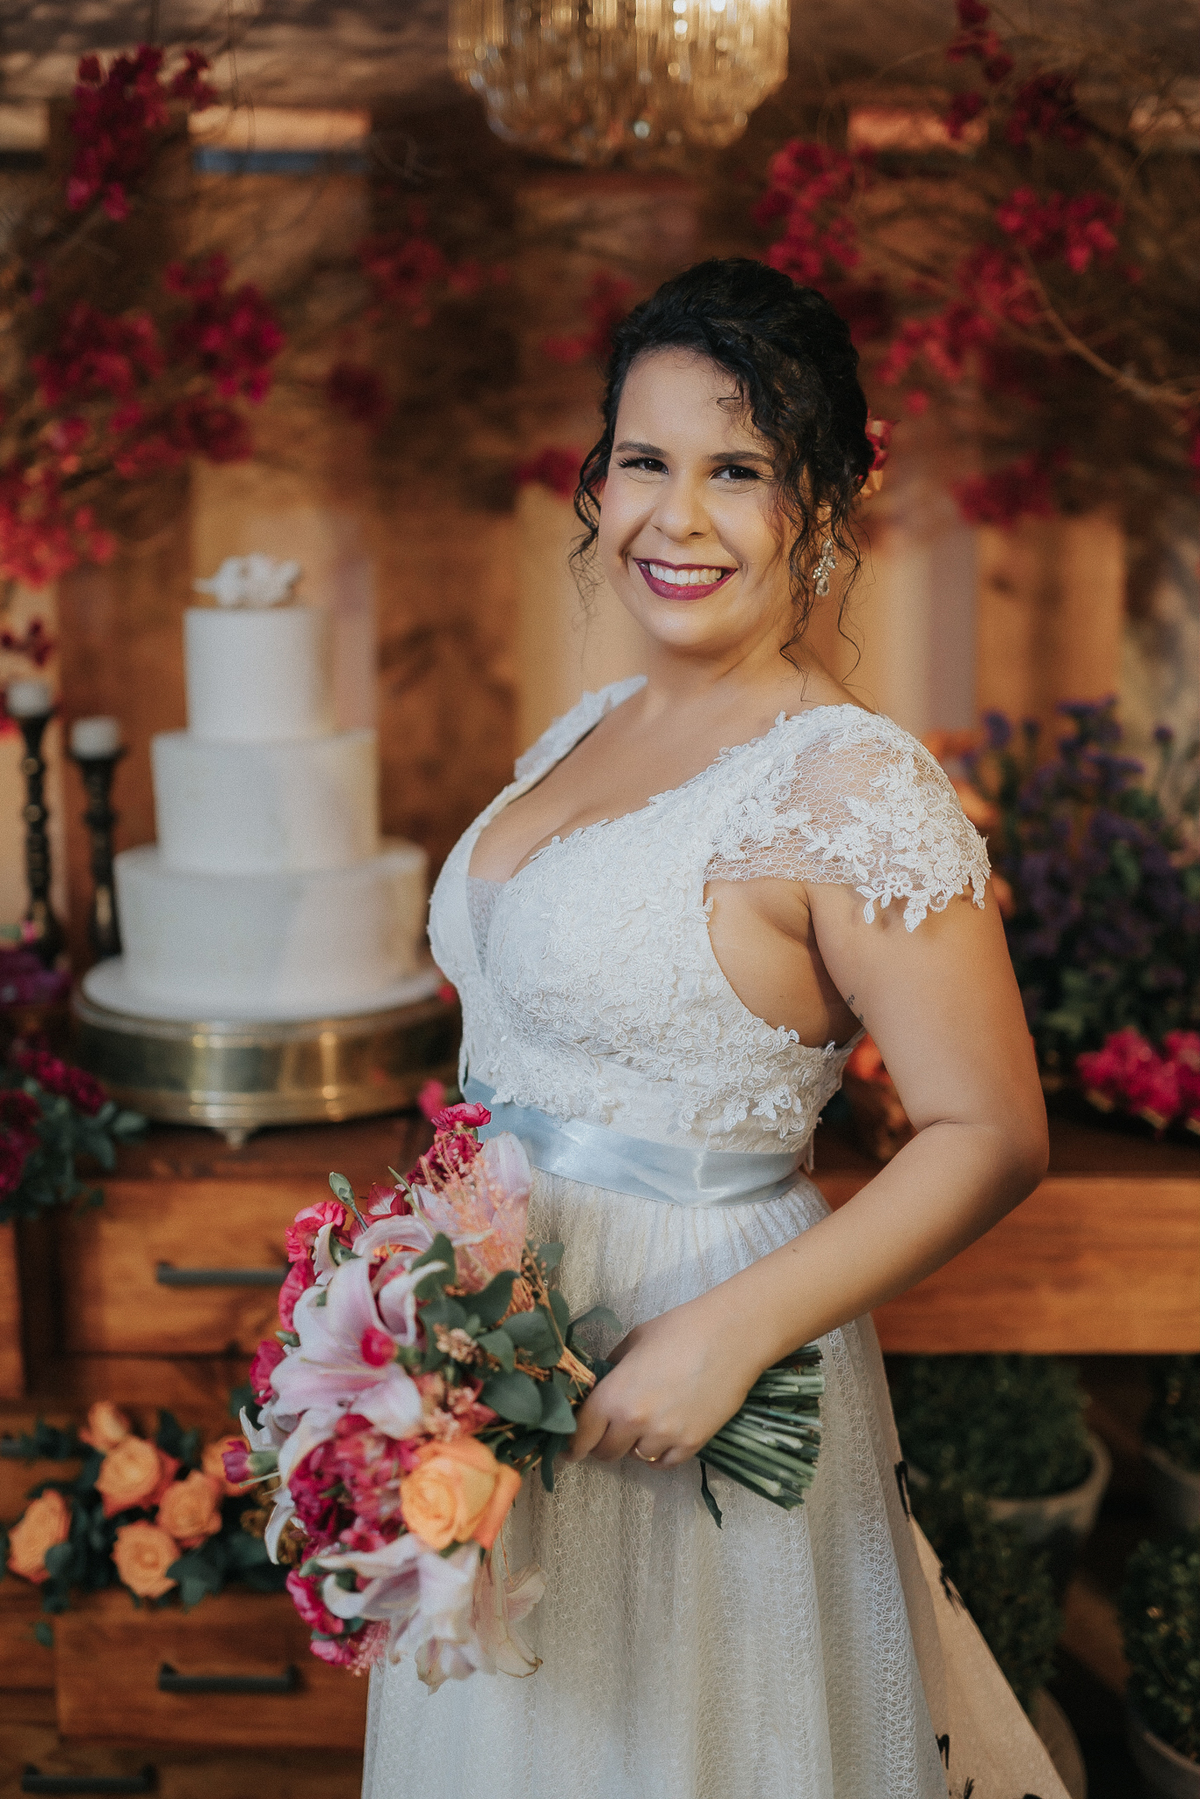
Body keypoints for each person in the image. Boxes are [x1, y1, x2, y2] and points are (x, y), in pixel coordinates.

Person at [363, 259, 1067, 1799]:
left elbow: (994, 1131)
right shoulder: (579, 731)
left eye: (736, 469)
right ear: (596, 479)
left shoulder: (849, 786)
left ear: (819, 502)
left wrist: (726, 1337)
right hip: (506, 1370)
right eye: (645, 460)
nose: (676, 517)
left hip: (693, 1367)